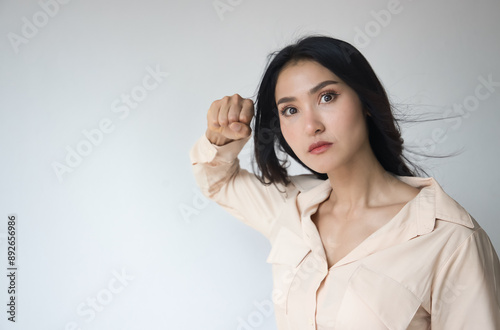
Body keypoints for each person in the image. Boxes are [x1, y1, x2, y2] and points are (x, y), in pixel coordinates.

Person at [189, 36, 500, 329]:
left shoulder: (450, 239)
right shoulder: (291, 210)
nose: (311, 125)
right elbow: (218, 182)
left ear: (365, 102)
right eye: (291, 110)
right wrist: (221, 136)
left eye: (327, 97)